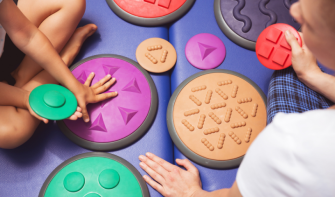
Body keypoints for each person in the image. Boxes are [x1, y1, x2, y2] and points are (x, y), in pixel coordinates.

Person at [138, 0, 335, 196]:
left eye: (310, 21)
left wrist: (191, 193)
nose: (294, 10)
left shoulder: (288, 144)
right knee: (290, 74)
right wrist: (313, 76)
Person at [0, 0, 117, 149]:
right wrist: (27, 99)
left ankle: (20, 76)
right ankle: (64, 58)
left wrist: (74, 85)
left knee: (72, 3)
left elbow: (27, 35)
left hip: (6, 40)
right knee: (13, 133)